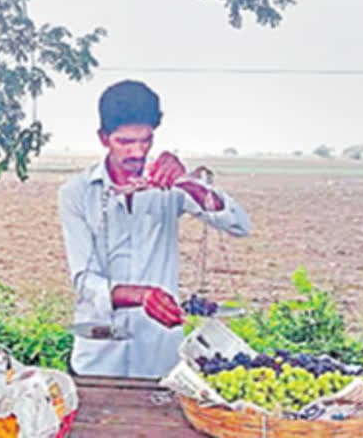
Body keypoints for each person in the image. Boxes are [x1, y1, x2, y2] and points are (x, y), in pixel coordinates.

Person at [58, 80, 252, 378]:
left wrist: (188, 182)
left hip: (161, 360)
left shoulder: (169, 185)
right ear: (103, 138)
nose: (138, 152)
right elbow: (84, 282)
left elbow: (238, 224)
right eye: (125, 142)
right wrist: (142, 296)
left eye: (145, 141)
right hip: (98, 359)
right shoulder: (78, 193)